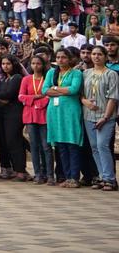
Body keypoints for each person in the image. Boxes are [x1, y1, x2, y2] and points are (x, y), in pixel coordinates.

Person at [43, 47, 84, 187]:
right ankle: (67, 177)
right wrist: (62, 91)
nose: (60, 60)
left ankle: (74, 177)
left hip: (70, 112)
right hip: (55, 113)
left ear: (70, 59)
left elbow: (73, 90)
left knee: (72, 144)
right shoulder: (51, 72)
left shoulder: (76, 73)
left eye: (64, 57)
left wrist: (54, 89)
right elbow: (44, 90)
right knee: (60, 145)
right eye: (58, 57)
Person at [82, 45, 118, 190]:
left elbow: (113, 97)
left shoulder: (111, 74)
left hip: (105, 116)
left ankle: (110, 179)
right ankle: (102, 176)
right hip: (89, 114)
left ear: (105, 56)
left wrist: (106, 117)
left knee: (103, 145)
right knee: (95, 147)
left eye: (99, 54)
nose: (96, 57)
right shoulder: (86, 73)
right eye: (94, 54)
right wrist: (85, 102)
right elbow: (81, 93)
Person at [0, 54, 28, 181]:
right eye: (3, 64)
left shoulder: (17, 78)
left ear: (14, 64)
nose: (5, 66)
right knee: (5, 142)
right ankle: (11, 168)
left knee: (14, 141)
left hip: (14, 113)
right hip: (2, 113)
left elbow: (9, 94)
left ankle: (20, 170)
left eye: (8, 64)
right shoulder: (4, 80)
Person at [19, 53, 53, 184]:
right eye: (33, 63)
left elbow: (49, 95)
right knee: (34, 146)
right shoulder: (26, 79)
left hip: (43, 115)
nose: (35, 66)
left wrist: (36, 101)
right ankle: (38, 174)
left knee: (46, 146)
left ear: (43, 65)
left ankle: (49, 174)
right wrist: (37, 97)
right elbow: (21, 96)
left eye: (38, 63)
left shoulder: (47, 79)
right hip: (30, 115)